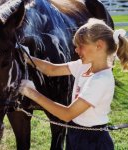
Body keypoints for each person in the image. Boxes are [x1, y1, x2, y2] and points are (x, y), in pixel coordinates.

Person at [19, 18, 128, 150]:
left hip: (92, 141)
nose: (76, 50)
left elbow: (67, 113)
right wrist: (26, 57)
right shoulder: (84, 66)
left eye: (80, 46)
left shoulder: (101, 80)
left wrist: (32, 93)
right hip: (75, 133)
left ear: (99, 45)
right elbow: (51, 69)